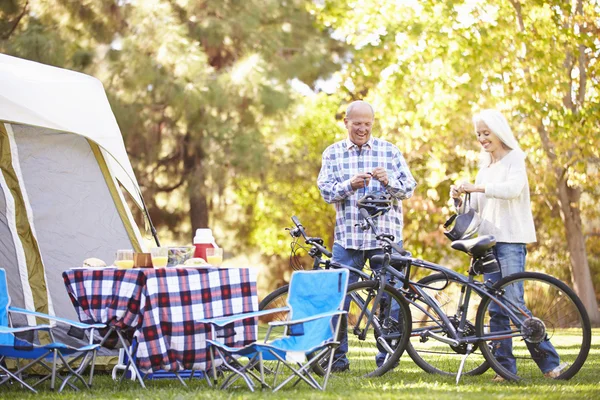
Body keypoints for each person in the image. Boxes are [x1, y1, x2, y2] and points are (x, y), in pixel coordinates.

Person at [450, 109, 567, 381]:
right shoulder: (485, 168)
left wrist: (476, 188)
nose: (481, 138)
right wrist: (458, 198)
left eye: (486, 132)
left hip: (511, 240)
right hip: (488, 243)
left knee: (513, 300)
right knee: (495, 306)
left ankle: (550, 364)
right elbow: (475, 208)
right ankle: (504, 368)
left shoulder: (515, 158)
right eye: (478, 134)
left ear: (498, 132)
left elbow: (512, 190)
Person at [317, 100, 417, 371]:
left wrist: (388, 181)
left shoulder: (390, 151)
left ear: (373, 123)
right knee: (338, 299)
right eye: (357, 123)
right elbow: (325, 192)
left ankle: (388, 360)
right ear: (346, 123)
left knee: (390, 301)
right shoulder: (333, 153)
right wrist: (349, 185)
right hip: (347, 240)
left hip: (385, 239)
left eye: (367, 124)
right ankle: (337, 361)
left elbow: (408, 189)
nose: (362, 129)